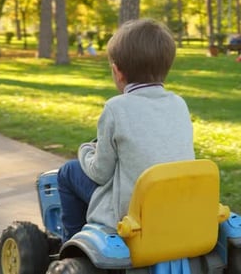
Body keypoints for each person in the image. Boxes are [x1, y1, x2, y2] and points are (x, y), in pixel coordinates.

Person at [57, 18, 195, 242]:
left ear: (117, 72)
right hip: (175, 203)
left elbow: (101, 173)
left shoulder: (115, 108)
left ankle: (72, 243)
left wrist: (85, 151)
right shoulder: (179, 103)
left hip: (131, 213)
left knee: (68, 172)